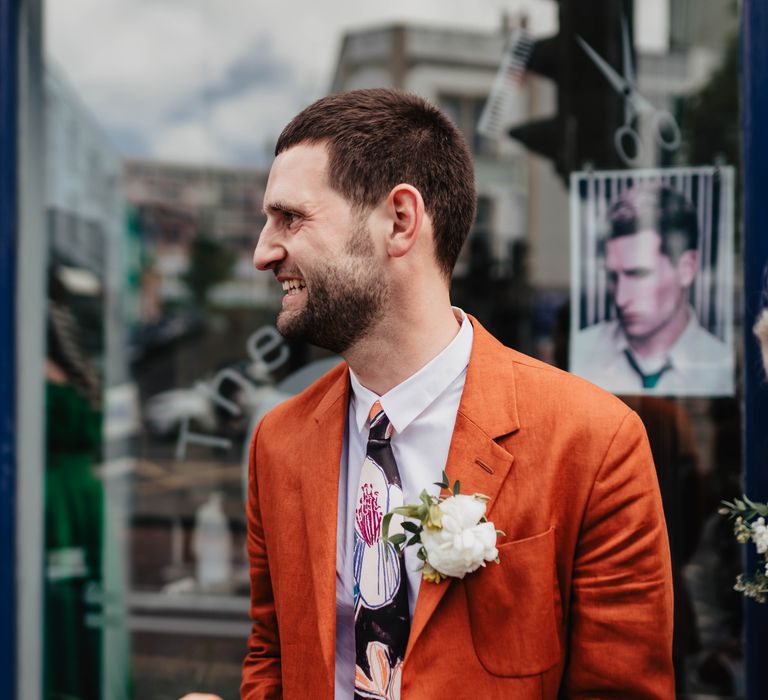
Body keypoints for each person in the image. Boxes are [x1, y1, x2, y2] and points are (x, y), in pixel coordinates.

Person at [236, 88, 673, 699]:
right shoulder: (276, 442)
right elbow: (272, 659)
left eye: (291, 218)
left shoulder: (594, 443)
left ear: (400, 221)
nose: (263, 252)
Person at [571, 182, 733, 395]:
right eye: (612, 276)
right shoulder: (583, 351)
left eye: (637, 274)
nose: (621, 299)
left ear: (687, 268)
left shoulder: (721, 364)